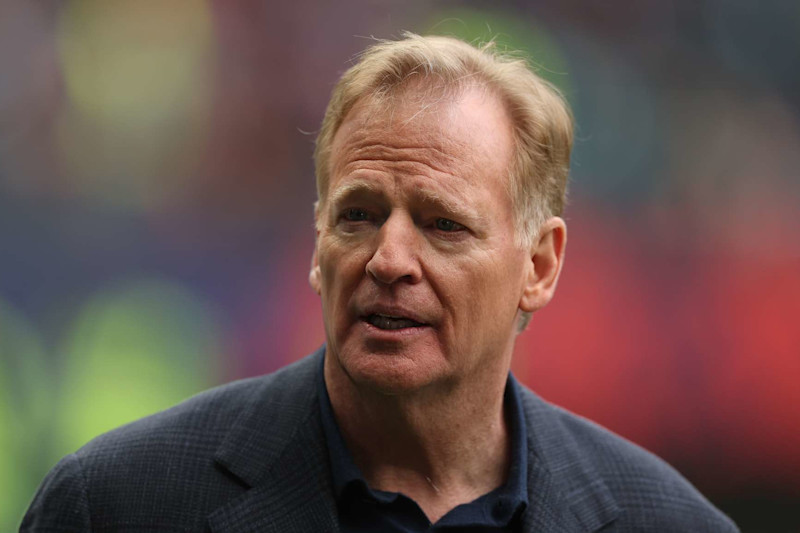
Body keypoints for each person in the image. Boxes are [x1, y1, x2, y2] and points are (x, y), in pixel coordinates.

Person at [21, 34, 738, 532]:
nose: (388, 258)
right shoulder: (117, 505)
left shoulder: (666, 521)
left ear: (539, 266)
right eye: (358, 215)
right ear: (317, 242)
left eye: (443, 224)